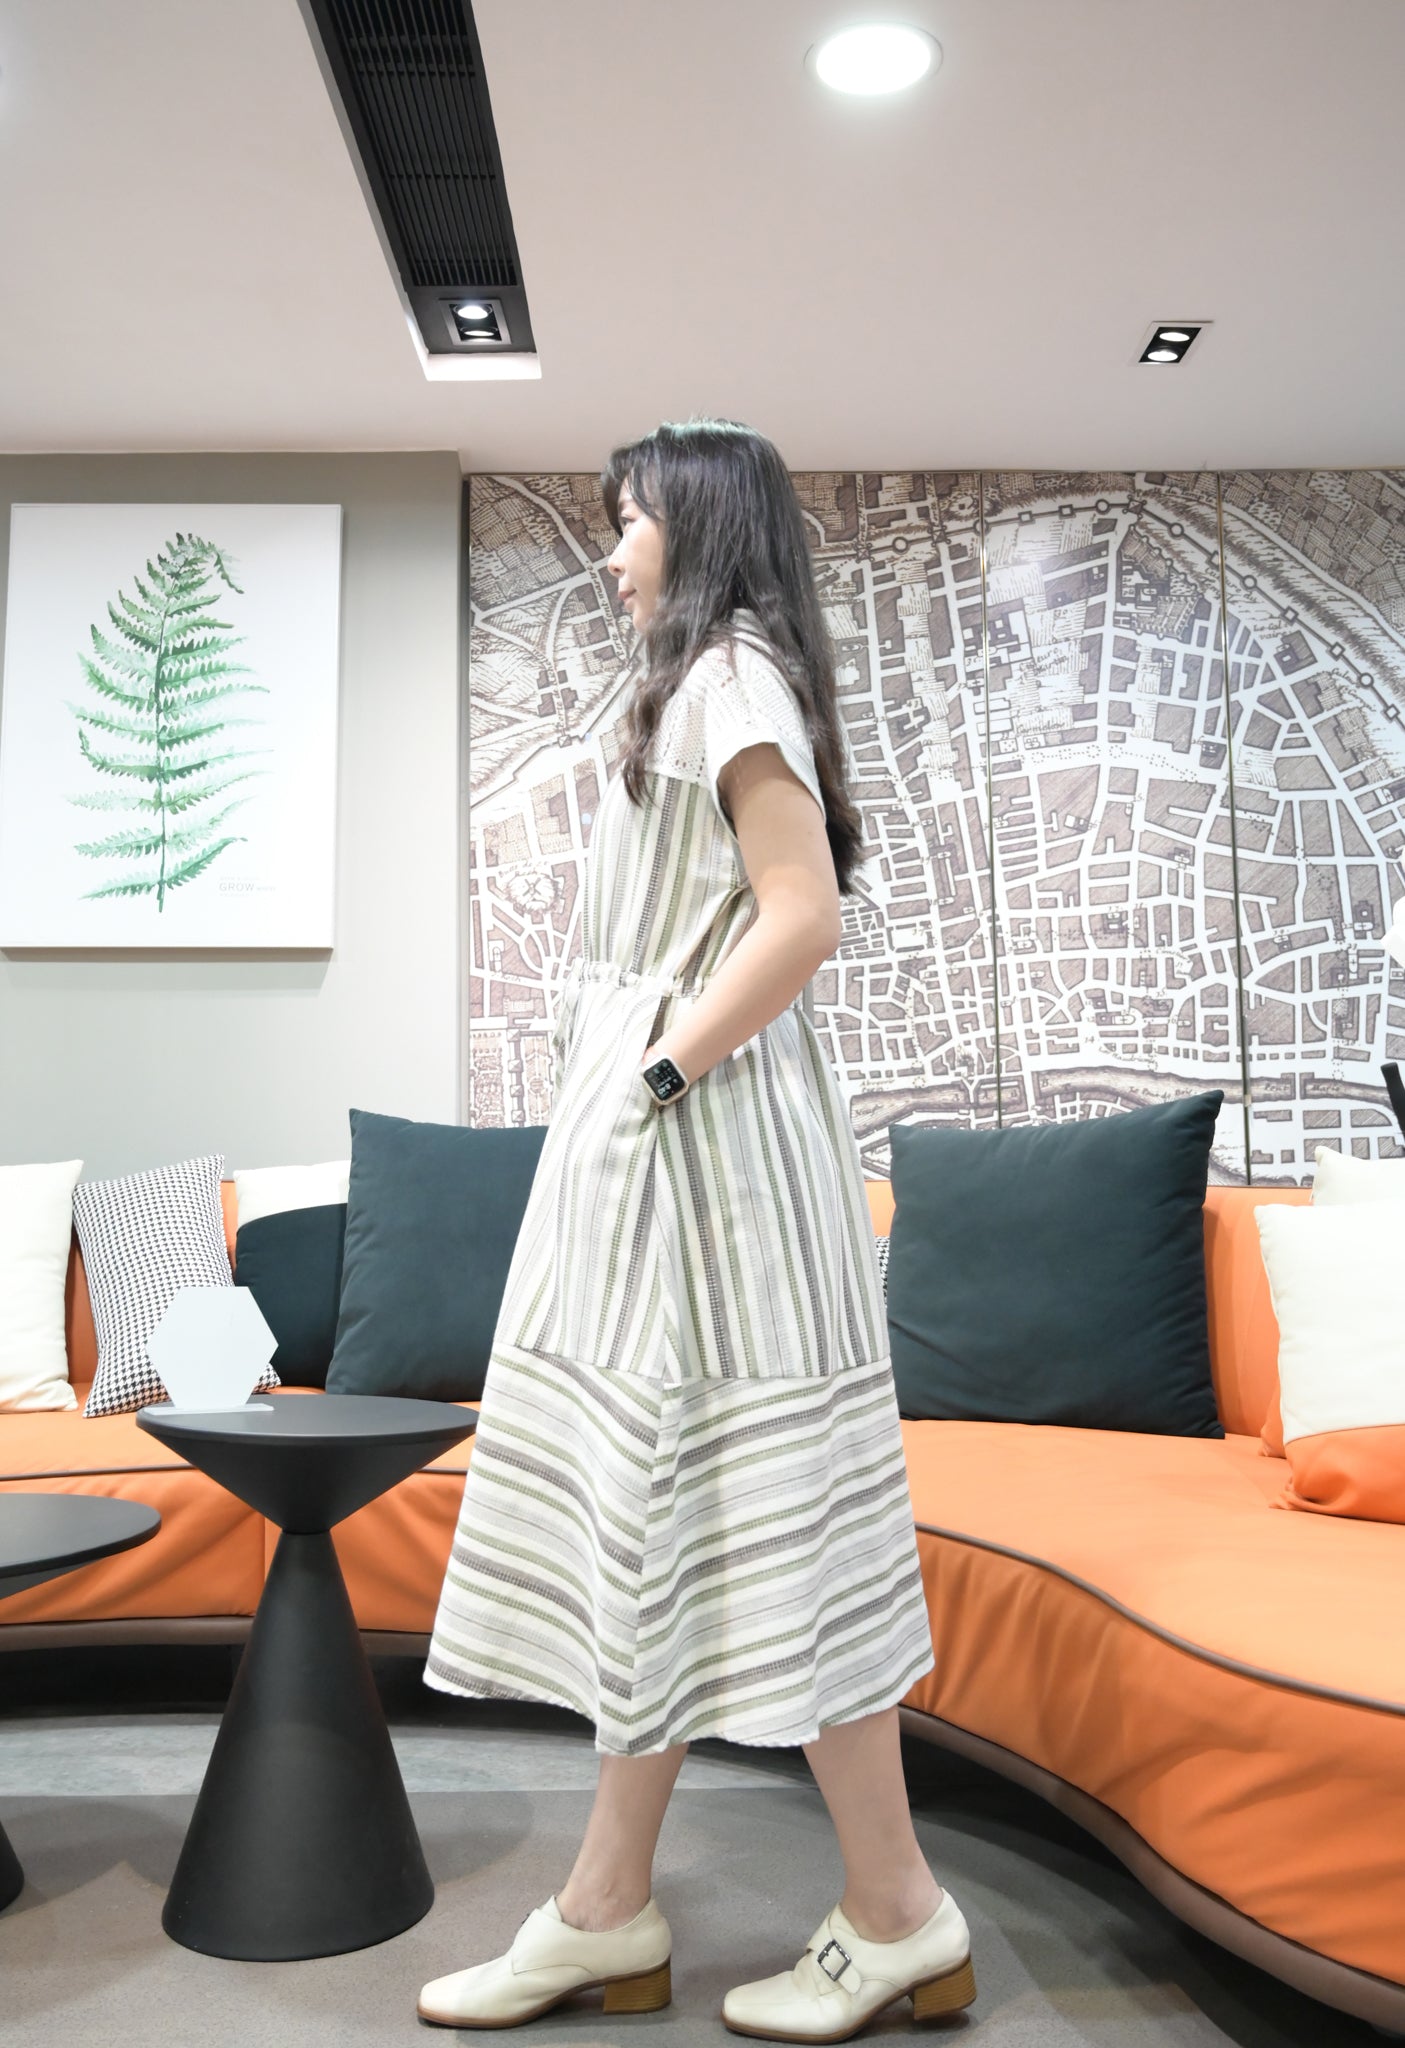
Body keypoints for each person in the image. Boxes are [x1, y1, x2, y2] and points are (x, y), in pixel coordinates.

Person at [417, 419, 977, 2040]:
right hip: (687, 1144)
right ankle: (617, 1907)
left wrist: (654, 1074)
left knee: (754, 1507)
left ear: (702, 525)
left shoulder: (726, 675)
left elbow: (800, 915)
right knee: (666, 1508)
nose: (612, 554)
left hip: (701, 1150)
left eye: (631, 522)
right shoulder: (717, 677)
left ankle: (895, 1914)